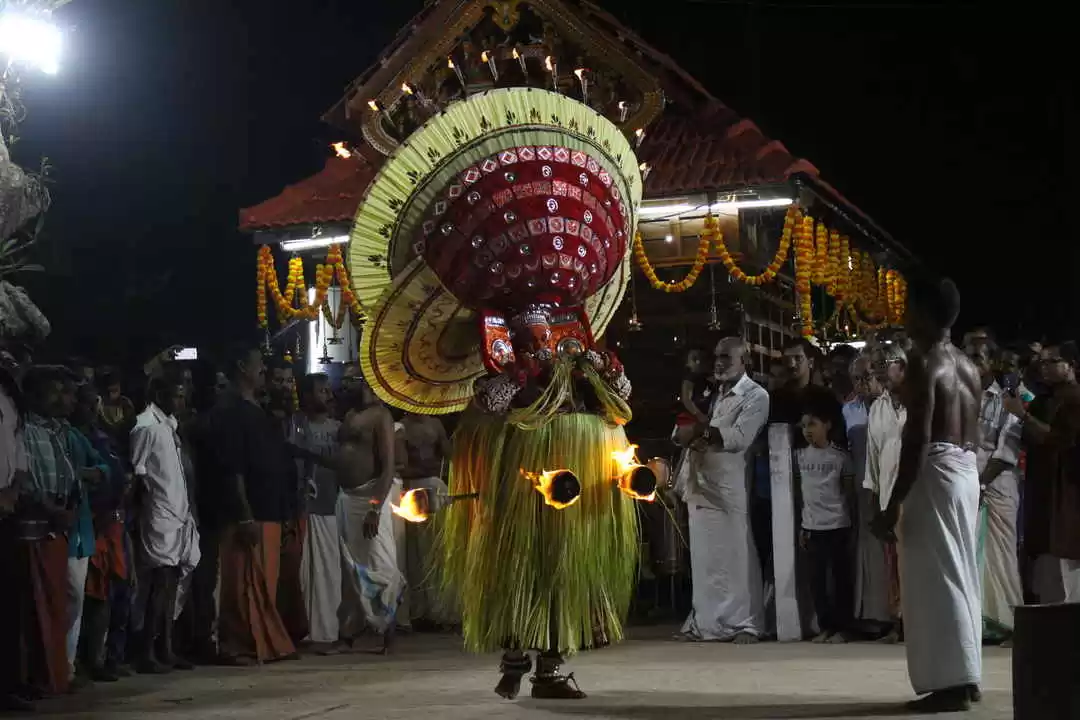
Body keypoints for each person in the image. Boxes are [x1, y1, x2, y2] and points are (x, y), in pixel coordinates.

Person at [872, 275, 982, 713]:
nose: (902, 315)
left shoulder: (924, 362)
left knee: (936, 580)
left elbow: (918, 437)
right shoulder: (969, 366)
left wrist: (893, 502)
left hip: (934, 475)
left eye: (907, 306)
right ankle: (967, 674)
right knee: (960, 573)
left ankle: (951, 683)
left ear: (920, 312)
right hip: (964, 472)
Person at [675, 337, 769, 643]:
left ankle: (746, 624)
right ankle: (705, 623)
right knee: (704, 560)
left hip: (729, 488)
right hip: (699, 482)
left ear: (745, 361)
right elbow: (688, 429)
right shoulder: (711, 393)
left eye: (726, 357)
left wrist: (700, 431)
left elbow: (739, 437)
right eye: (716, 356)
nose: (718, 363)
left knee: (737, 557)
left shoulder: (756, 396)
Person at [209, 345, 296, 665]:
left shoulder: (256, 410)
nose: (264, 370)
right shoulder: (229, 411)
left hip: (269, 510)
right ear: (242, 366)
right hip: (246, 515)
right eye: (259, 364)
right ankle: (237, 646)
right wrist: (245, 516)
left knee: (264, 586)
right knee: (240, 586)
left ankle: (262, 642)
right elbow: (233, 469)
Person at [19, 366, 84, 696]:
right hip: (35, 526)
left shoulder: (60, 430)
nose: (63, 398)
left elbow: (68, 475)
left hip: (58, 525)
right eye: (55, 390)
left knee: (64, 599)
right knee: (37, 604)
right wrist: (51, 509)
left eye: (65, 391)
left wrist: (68, 506)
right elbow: (24, 477)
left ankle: (55, 671)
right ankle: (39, 676)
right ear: (33, 394)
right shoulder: (25, 429)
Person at [130, 372, 201, 673]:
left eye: (182, 395)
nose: (181, 401)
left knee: (172, 584)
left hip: (179, 513)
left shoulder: (170, 425)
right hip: (159, 514)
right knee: (157, 584)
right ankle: (147, 651)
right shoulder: (145, 426)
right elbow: (138, 473)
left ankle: (166, 649)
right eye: (175, 395)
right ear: (159, 395)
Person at [1006, 343, 1080, 603]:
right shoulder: (1045, 399)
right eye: (1042, 363)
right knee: (1047, 568)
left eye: (1051, 362)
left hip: (1065, 491)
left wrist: (1022, 416)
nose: (1044, 368)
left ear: (1070, 365)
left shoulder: (1074, 398)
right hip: (1044, 490)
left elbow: (1058, 440)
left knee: (1067, 567)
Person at [337, 370, 403, 653]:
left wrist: (375, 507)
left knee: (381, 563)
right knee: (352, 566)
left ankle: (387, 627)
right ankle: (352, 629)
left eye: (356, 378)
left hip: (370, 499)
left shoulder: (381, 416)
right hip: (346, 499)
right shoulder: (349, 413)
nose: (349, 382)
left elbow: (388, 467)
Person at [71, 382, 132, 683]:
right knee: (92, 595)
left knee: (116, 591)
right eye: (87, 402)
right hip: (92, 523)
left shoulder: (103, 437)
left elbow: (112, 475)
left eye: (95, 402)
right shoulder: (74, 438)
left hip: (115, 524)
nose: (93, 408)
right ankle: (86, 660)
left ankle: (107, 657)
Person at [964, 336, 1023, 643]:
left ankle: (1011, 623)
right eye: (968, 357)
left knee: (1001, 558)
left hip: (996, 486)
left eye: (978, 358)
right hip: (967, 486)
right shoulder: (961, 397)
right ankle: (980, 623)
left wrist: (982, 482)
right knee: (973, 558)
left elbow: (1006, 451)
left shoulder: (1006, 399)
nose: (972, 364)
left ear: (992, 362)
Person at [288, 373, 342, 654]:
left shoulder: (339, 428)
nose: (328, 396)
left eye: (328, 391)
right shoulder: (295, 425)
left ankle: (328, 630)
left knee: (330, 573)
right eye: (321, 391)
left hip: (331, 506)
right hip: (303, 508)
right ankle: (307, 631)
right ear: (307, 395)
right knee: (305, 574)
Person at [797, 396, 855, 644]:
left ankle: (843, 628)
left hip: (837, 526)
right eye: (803, 426)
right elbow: (801, 494)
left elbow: (849, 492)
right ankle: (825, 626)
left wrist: (850, 522)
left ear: (827, 425)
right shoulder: (799, 456)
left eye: (812, 424)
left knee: (840, 580)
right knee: (816, 582)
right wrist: (802, 525)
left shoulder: (840, 457)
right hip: (812, 527)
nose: (807, 431)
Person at [865, 343, 908, 644]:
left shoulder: (918, 402)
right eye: (875, 364)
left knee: (916, 561)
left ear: (902, 365)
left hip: (916, 496)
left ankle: (919, 622)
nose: (878, 370)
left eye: (884, 363)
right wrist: (876, 505)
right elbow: (872, 458)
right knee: (893, 564)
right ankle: (898, 622)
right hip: (887, 496)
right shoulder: (877, 407)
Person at [845, 354, 891, 633]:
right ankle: (870, 614)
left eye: (867, 377)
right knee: (865, 547)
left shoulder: (892, 406)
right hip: (861, 486)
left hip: (887, 482)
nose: (862, 384)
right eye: (856, 379)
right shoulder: (848, 409)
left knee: (888, 547)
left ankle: (892, 615)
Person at [398, 412, 454, 630]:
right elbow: (401, 465)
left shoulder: (436, 423)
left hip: (436, 486)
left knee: (439, 550)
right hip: (413, 490)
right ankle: (419, 611)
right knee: (416, 553)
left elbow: (449, 454)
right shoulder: (401, 427)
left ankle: (441, 610)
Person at [676, 347, 714, 427]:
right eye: (695, 359)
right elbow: (687, 400)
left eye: (701, 358)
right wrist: (699, 414)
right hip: (692, 419)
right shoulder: (690, 378)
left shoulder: (709, 377)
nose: (699, 361)